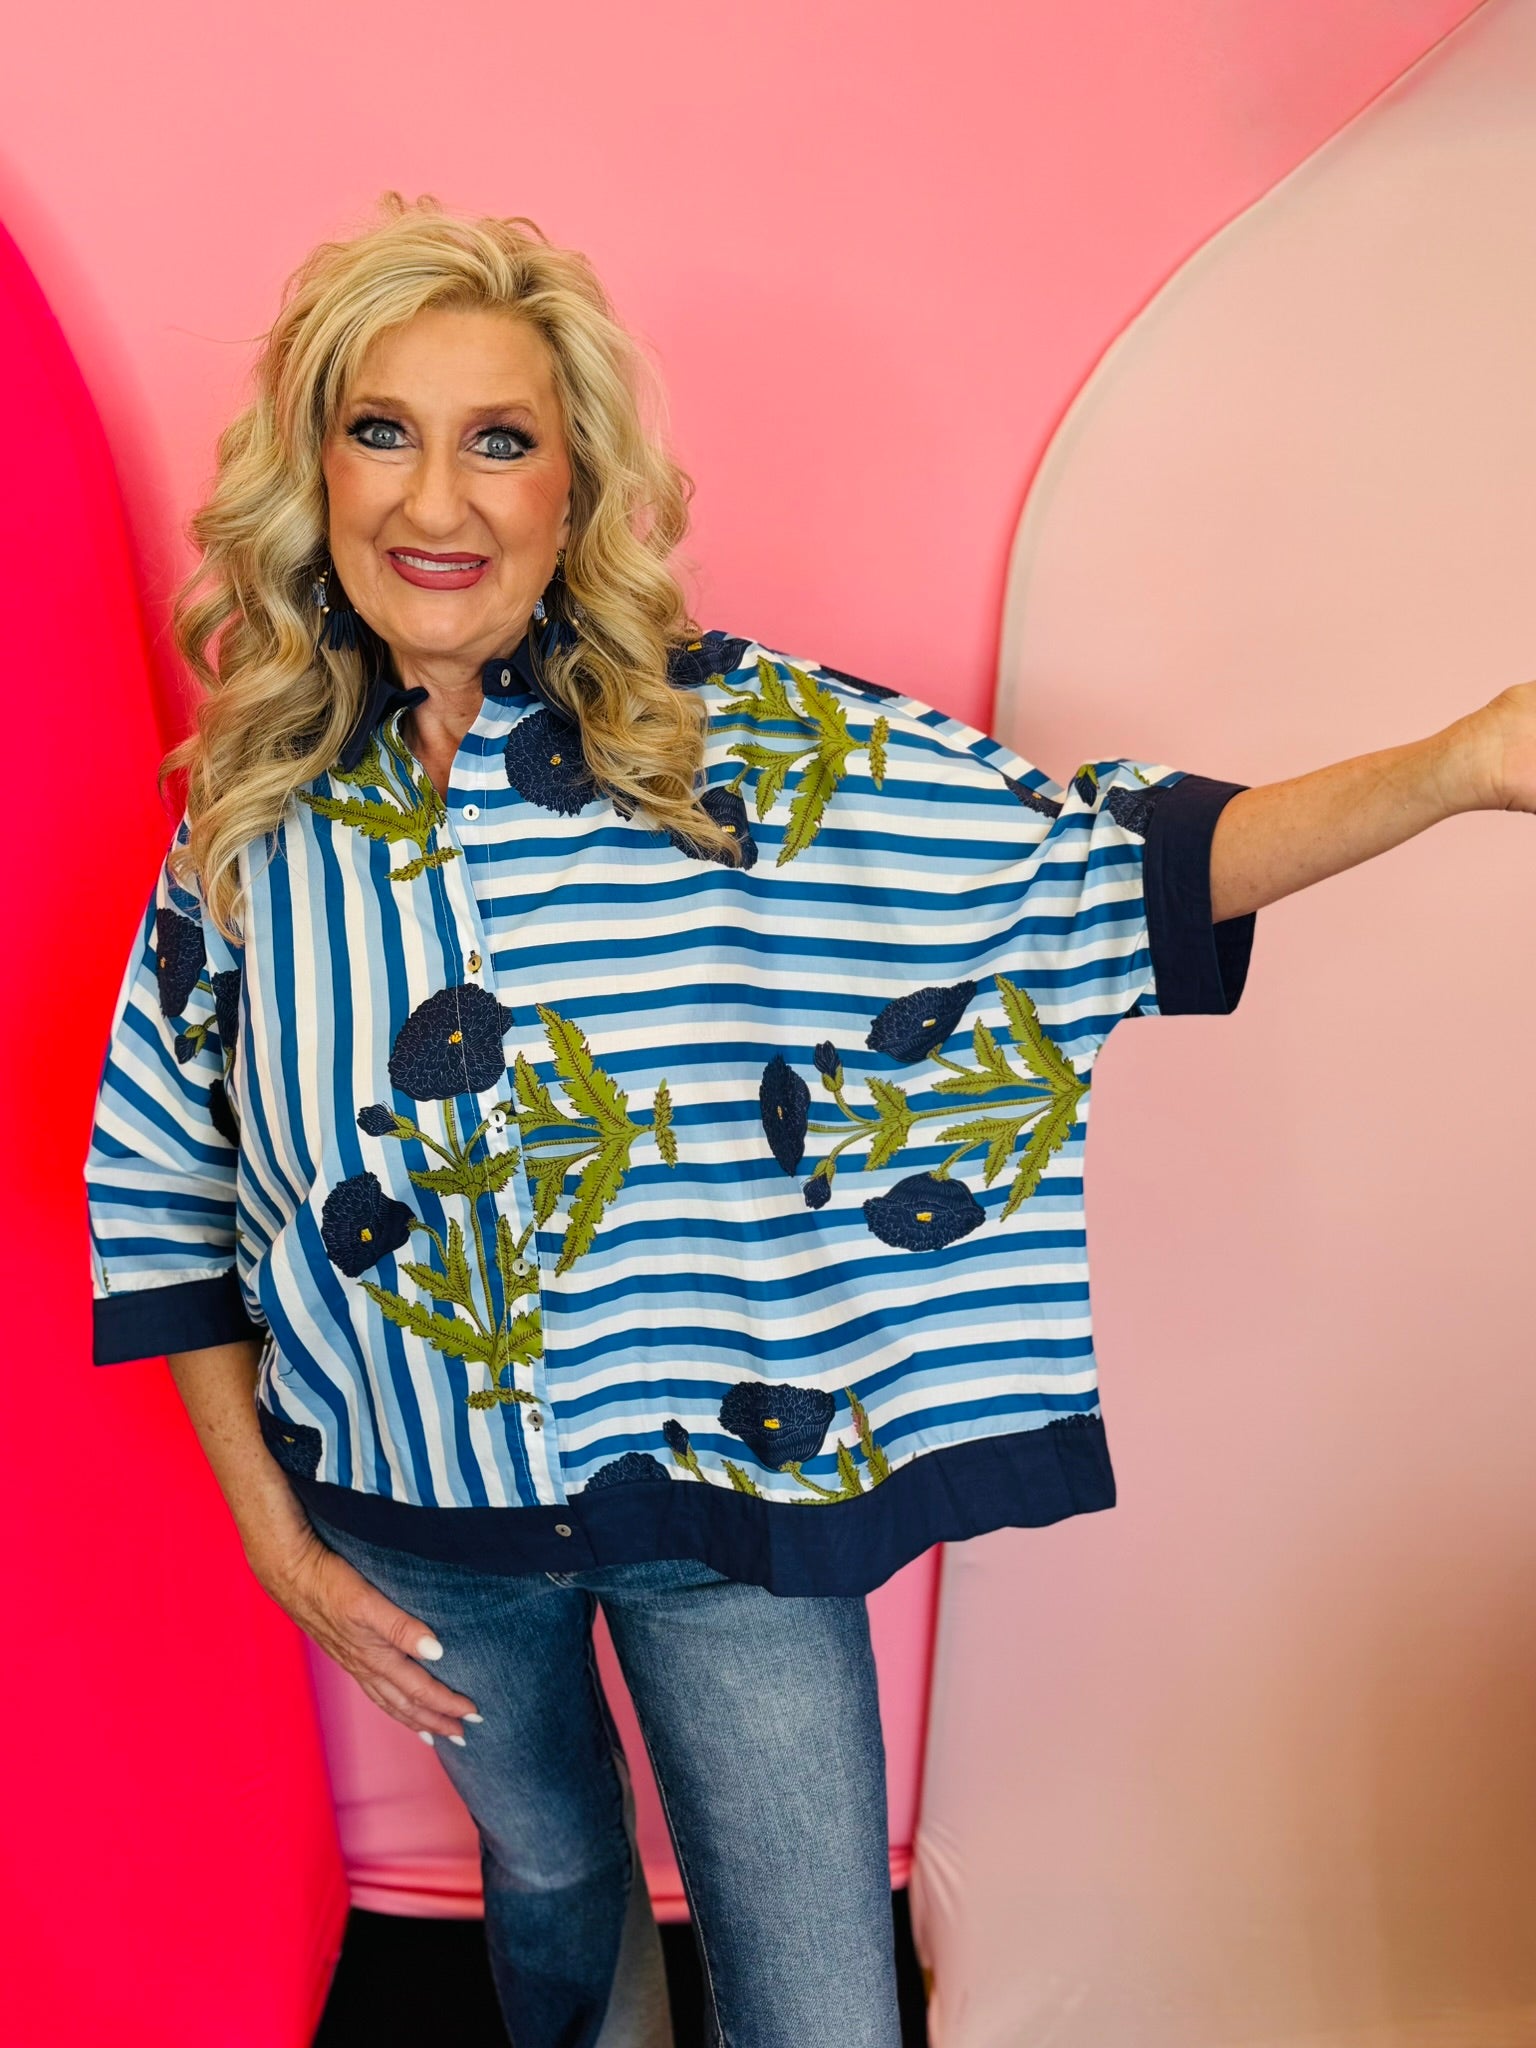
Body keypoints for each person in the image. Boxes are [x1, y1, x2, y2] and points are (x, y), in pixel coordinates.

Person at [83, 193, 1536, 2048]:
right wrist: (276, 1539)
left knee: (823, 1998)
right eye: (386, 431)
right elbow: (167, 1179)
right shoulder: (251, 806)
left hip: (726, 1512)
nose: (437, 498)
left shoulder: (738, 746)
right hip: (413, 1518)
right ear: (318, 469)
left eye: (500, 440)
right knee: (547, 1875)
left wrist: (1465, 762)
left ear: (575, 489)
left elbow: (1094, 872)